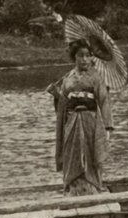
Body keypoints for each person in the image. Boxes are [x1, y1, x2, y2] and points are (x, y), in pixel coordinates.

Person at [47, 39, 114, 195]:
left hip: (91, 121)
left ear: (91, 57)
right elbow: (63, 104)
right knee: (72, 156)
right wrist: (57, 96)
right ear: (74, 57)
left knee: (91, 156)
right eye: (80, 56)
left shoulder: (96, 77)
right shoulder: (67, 79)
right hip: (71, 122)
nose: (84, 59)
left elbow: (104, 100)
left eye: (87, 55)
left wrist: (108, 127)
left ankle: (92, 190)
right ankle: (74, 190)